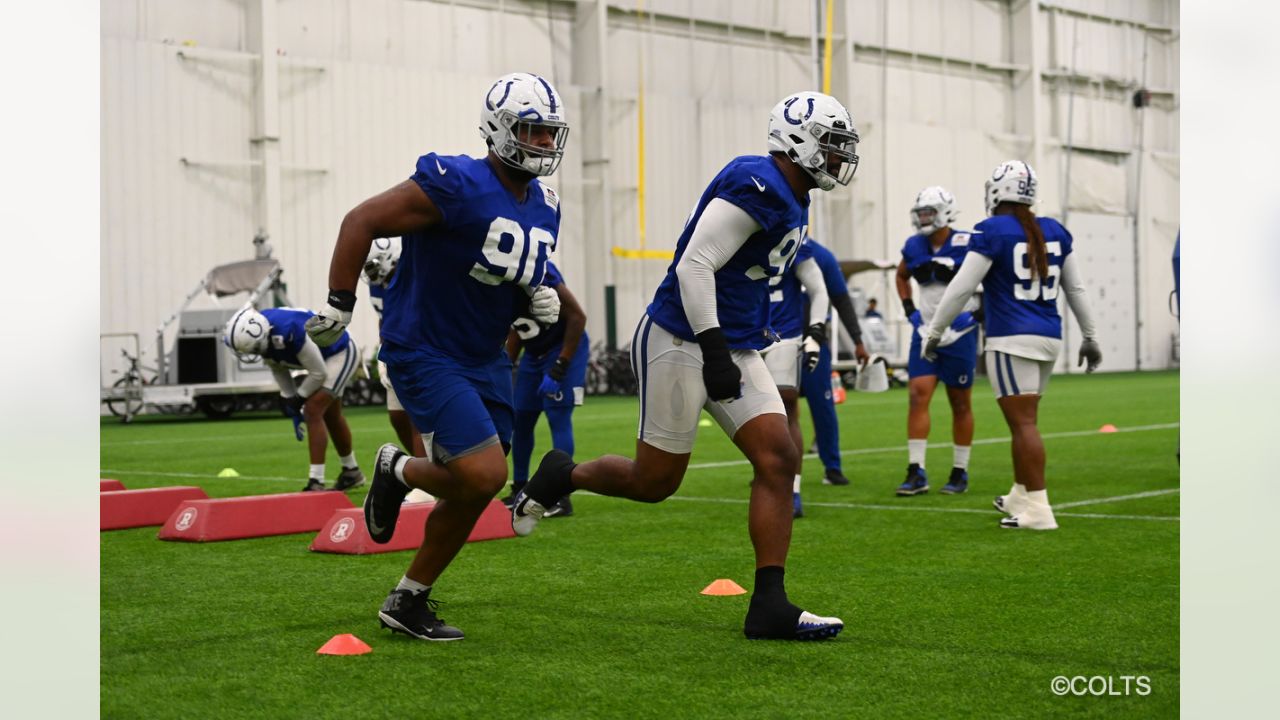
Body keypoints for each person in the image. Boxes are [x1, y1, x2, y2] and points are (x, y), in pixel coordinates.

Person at [512, 91, 859, 641]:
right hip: (680, 338)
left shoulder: (794, 196)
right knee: (654, 483)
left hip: (736, 343)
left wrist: (730, 351)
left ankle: (769, 603)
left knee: (779, 457)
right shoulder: (757, 181)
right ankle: (563, 474)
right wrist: (716, 351)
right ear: (799, 142)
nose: (840, 159)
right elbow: (695, 264)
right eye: (832, 146)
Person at [305, 72, 570, 640]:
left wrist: (536, 291)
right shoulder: (456, 181)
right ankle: (397, 468)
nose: (544, 144)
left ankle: (408, 598)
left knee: (476, 485)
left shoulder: (545, 201)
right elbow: (361, 220)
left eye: (550, 134)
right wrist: (339, 301)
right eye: (532, 131)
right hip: (426, 349)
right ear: (500, 129)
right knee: (484, 474)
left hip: (485, 355)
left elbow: (512, 263)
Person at [924, 160, 1102, 530]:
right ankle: (1021, 493)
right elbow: (1076, 288)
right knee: (1027, 422)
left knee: (1023, 425)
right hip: (1049, 337)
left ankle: (1038, 508)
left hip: (1011, 338)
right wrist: (1090, 336)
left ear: (997, 191)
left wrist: (935, 331)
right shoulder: (1053, 229)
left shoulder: (993, 230)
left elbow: (959, 288)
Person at [894, 186, 981, 497]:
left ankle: (960, 471)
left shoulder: (968, 242)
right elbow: (901, 275)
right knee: (918, 396)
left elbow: (987, 277)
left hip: (959, 332)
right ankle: (916, 470)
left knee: (960, 402)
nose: (924, 218)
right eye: (921, 213)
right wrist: (909, 310)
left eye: (929, 212)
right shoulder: (914, 245)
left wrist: (978, 312)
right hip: (925, 331)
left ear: (945, 212)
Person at [223, 306, 365, 492]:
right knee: (331, 415)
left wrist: (299, 398)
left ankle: (316, 481)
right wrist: (288, 398)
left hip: (342, 350)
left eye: (255, 347)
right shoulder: (265, 331)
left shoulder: (290, 330)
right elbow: (277, 366)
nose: (255, 353)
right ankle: (351, 472)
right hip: (325, 359)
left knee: (313, 409)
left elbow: (318, 373)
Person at [503, 260, 589, 518]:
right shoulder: (495, 278)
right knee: (521, 419)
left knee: (558, 416)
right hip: (534, 352)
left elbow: (577, 316)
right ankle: (519, 487)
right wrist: (502, 366)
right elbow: (518, 329)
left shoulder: (537, 269)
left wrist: (561, 365)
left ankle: (561, 497)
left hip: (562, 348)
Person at [759, 237, 830, 518]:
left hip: (784, 332)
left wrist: (815, 332)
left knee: (786, 404)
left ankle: (793, 488)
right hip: (745, 332)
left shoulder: (793, 238)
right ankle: (767, 476)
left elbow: (819, 290)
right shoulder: (735, 230)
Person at [798, 238, 870, 488]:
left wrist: (858, 340)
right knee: (772, 411)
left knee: (823, 406)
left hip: (814, 342)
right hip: (775, 341)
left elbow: (841, 299)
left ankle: (832, 467)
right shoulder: (768, 245)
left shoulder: (822, 256)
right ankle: (768, 467)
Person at [362, 237, 428, 460]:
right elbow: (384, 319)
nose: (369, 273)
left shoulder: (415, 275)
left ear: (388, 258)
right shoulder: (378, 286)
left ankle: (428, 481)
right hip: (397, 349)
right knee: (397, 417)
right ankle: (430, 471)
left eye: (371, 266)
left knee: (416, 417)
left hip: (423, 348)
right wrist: (383, 353)